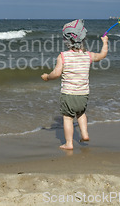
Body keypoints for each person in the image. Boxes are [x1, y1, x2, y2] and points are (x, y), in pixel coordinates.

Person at [41, 19, 108, 150]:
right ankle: (85, 133)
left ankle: (69, 143)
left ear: (66, 41)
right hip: (83, 94)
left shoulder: (63, 56)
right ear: (83, 39)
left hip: (68, 94)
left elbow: (56, 73)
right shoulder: (88, 55)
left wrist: (47, 77)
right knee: (81, 114)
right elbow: (102, 55)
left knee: (67, 118)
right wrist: (105, 43)